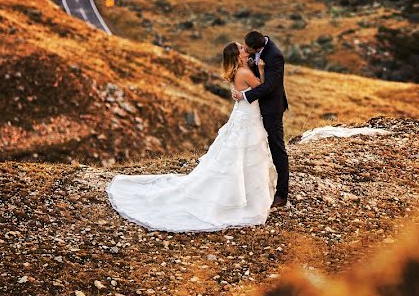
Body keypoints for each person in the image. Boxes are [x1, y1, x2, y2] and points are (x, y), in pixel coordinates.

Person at [106, 42, 277, 232]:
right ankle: (242, 198)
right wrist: (261, 70)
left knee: (238, 155)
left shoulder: (240, 70)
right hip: (247, 118)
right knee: (245, 154)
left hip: (243, 116)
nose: (247, 50)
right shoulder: (245, 73)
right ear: (238, 57)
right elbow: (262, 90)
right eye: (243, 49)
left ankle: (241, 193)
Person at [232, 31, 289, 208]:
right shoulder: (253, 50)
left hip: (271, 108)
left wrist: (244, 96)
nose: (246, 52)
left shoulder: (275, 56)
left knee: (276, 147)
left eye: (248, 50)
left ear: (258, 48)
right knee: (254, 147)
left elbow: (270, 87)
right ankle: (254, 189)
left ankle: (282, 194)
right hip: (255, 110)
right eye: (244, 48)